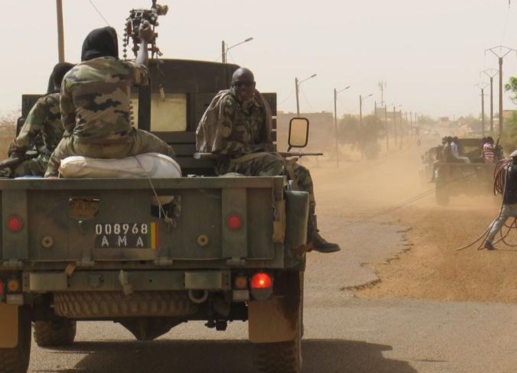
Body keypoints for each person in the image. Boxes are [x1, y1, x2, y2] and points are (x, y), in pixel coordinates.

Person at [195, 67, 340, 253]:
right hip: (231, 163)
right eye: (239, 85)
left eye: (248, 84)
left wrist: (267, 150)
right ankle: (270, 224)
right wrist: (255, 149)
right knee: (275, 166)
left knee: (302, 174)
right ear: (232, 86)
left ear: (254, 85)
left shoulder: (258, 106)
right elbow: (221, 147)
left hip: (256, 160)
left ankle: (311, 234)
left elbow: (264, 141)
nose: (244, 89)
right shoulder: (228, 105)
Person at [45, 24, 174, 177]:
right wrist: (144, 41)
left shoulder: (71, 75)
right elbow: (142, 68)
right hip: (125, 145)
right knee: (167, 152)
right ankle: (173, 198)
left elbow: (67, 121)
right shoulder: (124, 69)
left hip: (83, 146)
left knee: (52, 165)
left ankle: (52, 198)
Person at [0, 62, 75, 178]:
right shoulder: (85, 101)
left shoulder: (47, 102)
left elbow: (24, 139)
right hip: (85, 159)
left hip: (52, 163)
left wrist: (14, 152)